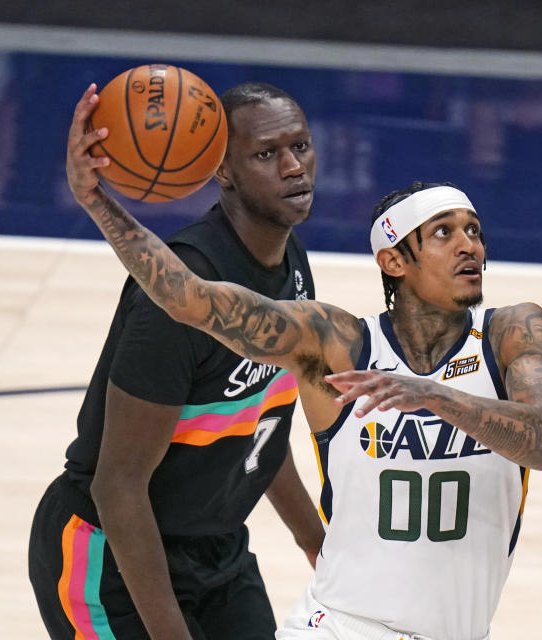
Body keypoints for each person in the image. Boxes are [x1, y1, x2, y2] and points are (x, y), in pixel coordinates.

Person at [64, 82, 542, 640]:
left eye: (473, 231)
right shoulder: (334, 340)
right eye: (443, 233)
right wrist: (97, 202)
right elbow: (190, 298)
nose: (468, 245)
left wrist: (433, 396)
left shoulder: (512, 331)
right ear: (393, 260)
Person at [29, 81, 326, 640]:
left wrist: (318, 544)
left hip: (217, 549)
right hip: (112, 558)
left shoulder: (293, 262)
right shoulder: (176, 299)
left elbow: (261, 426)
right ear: (224, 172)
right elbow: (117, 485)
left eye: (301, 146)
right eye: (267, 154)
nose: (294, 167)